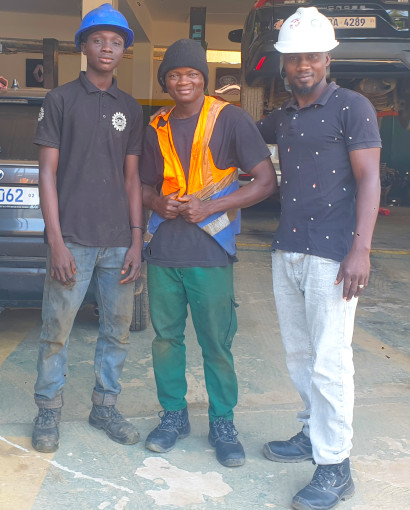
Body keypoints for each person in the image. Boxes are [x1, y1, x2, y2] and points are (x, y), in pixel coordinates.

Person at [256, 7, 381, 510]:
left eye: (311, 56)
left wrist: (361, 249)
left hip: (334, 254)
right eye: (293, 58)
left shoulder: (352, 106)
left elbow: (369, 179)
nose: (302, 65)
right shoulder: (284, 115)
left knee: (330, 362)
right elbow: (241, 135)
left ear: (328, 58)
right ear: (283, 64)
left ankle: (336, 465)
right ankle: (313, 432)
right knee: (299, 355)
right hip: (288, 247)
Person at [140, 38, 277, 468]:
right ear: (165, 81)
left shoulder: (230, 119)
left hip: (211, 251)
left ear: (204, 79)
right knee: (166, 340)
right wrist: (155, 201)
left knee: (217, 343)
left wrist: (211, 207)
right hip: (163, 251)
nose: (183, 81)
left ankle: (222, 422)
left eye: (192, 73)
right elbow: (141, 185)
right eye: (174, 74)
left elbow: (265, 181)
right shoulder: (156, 125)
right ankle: (173, 415)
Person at [32, 3, 144, 453]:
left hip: (118, 242)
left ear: (124, 52)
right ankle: (48, 409)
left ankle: (105, 406)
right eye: (98, 40)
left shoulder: (130, 108)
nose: (107, 48)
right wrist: (56, 241)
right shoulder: (60, 100)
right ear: (83, 46)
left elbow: (133, 179)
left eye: (116, 42)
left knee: (117, 331)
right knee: (56, 330)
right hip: (73, 240)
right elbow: (46, 173)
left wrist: (136, 240)